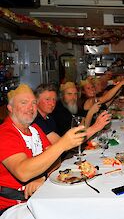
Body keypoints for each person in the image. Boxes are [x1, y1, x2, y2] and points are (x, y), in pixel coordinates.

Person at [0, 84, 110, 215]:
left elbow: (56, 160)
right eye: (24, 103)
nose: (31, 107)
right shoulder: (5, 133)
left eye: (33, 103)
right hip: (15, 206)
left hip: (41, 196)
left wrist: (43, 177)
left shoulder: (34, 128)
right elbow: (23, 172)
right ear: (10, 108)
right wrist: (62, 144)